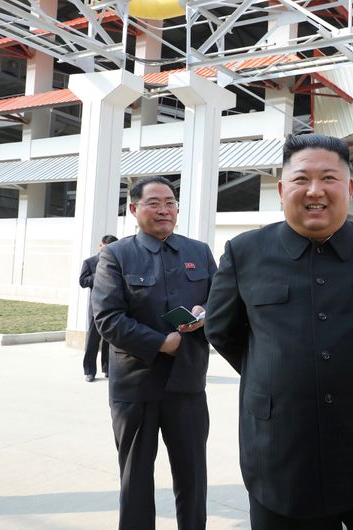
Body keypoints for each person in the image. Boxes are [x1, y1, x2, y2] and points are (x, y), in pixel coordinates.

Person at [204, 133, 353, 530]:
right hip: (282, 454)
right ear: (281, 189)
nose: (315, 191)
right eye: (301, 179)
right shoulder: (245, 253)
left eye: (329, 178)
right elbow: (223, 331)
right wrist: (276, 374)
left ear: (349, 188)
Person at [91, 176, 216, 530]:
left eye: (170, 202)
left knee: (192, 477)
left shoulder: (198, 252)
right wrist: (161, 342)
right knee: (136, 478)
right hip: (136, 385)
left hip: (187, 383)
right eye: (154, 203)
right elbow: (108, 318)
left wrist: (205, 315)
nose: (164, 210)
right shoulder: (116, 255)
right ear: (134, 209)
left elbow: (221, 302)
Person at [79, 234, 118, 382]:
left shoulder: (117, 262)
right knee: (93, 340)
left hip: (113, 306)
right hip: (96, 307)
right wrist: (98, 274)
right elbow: (83, 281)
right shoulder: (89, 262)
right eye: (106, 248)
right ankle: (89, 371)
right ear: (100, 246)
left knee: (109, 339)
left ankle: (107, 368)